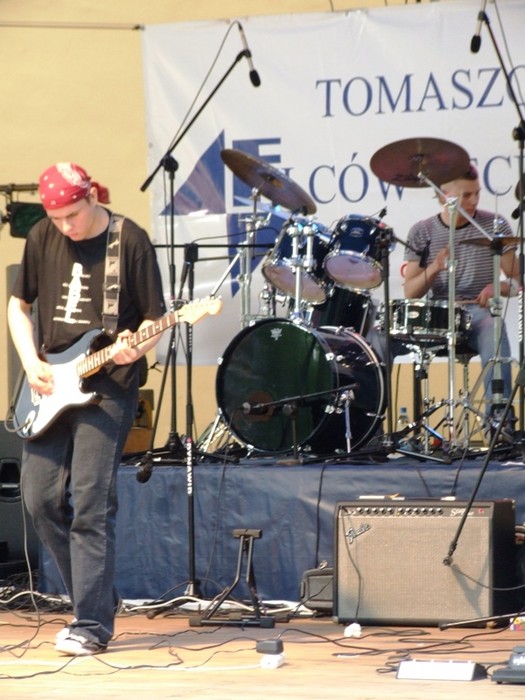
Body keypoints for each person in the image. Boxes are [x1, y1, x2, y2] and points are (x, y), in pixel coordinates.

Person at [7, 163, 166, 656]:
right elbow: (18, 305)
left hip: (109, 386)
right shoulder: (42, 236)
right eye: (57, 218)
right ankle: (96, 596)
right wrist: (30, 361)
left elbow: (156, 319)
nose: (66, 226)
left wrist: (136, 348)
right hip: (51, 383)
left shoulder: (129, 240)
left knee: (92, 501)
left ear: (93, 197)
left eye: (72, 215)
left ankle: (92, 624)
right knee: (39, 499)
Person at [403, 164, 519, 432]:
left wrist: (497, 287)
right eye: (466, 195)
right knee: (379, 335)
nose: (474, 200)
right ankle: (373, 424)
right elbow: (410, 292)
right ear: (445, 196)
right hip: (437, 314)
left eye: (477, 193)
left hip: (476, 311)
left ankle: (499, 422)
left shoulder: (494, 225)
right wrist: (435, 267)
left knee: (494, 326)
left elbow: (516, 282)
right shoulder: (423, 231)